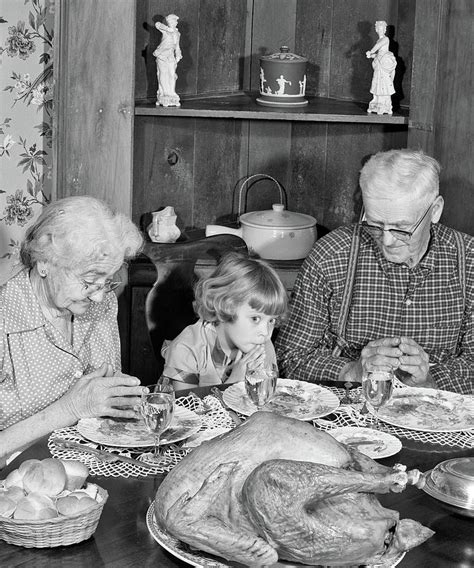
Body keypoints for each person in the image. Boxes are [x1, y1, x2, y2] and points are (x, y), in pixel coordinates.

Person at [276, 149, 473, 395]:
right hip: (349, 413)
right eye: (375, 224)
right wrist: (352, 370)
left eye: (402, 229)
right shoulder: (332, 255)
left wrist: (430, 380)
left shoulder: (469, 262)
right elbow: (289, 359)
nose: (387, 241)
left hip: (439, 414)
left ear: (435, 210)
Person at [0, 196, 145, 464]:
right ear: (45, 262)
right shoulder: (5, 321)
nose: (99, 296)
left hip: (94, 469)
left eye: (108, 282)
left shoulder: (101, 303)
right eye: (89, 281)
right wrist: (71, 407)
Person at [162, 252, 288, 391]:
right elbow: (184, 408)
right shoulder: (187, 349)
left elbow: (265, 397)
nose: (265, 333)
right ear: (226, 306)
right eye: (255, 318)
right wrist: (232, 383)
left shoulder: (262, 344)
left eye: (271, 321)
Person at [366, 20, 397, 115]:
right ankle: (376, 100)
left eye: (381, 28)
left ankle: (384, 103)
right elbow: (379, 53)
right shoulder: (379, 40)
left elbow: (378, 47)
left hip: (384, 63)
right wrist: (372, 55)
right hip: (379, 63)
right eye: (377, 28)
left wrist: (371, 51)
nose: (379, 29)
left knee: (384, 82)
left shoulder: (385, 39)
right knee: (377, 81)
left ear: (384, 29)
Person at [154, 14, 182, 107]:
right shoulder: (166, 30)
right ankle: (165, 94)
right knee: (163, 73)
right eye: (172, 21)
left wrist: (178, 55)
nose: (174, 23)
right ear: (169, 22)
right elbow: (157, 24)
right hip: (162, 54)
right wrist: (167, 29)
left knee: (172, 74)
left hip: (170, 56)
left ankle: (172, 92)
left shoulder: (177, 34)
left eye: (174, 21)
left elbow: (177, 47)